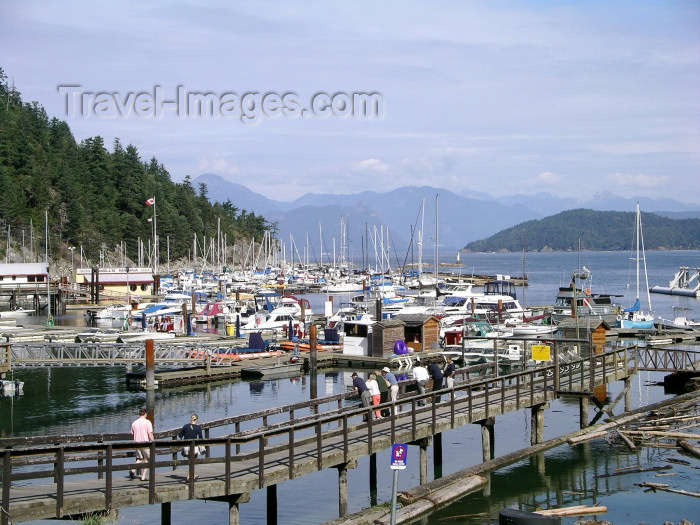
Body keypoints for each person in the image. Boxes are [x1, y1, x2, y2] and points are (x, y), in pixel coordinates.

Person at [130, 408, 154, 481]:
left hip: (137, 443)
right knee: (147, 459)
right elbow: (150, 434)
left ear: (139, 414)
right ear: (145, 414)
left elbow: (132, 434)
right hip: (145, 443)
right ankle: (143, 477)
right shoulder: (147, 422)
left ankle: (132, 470)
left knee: (140, 458)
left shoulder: (134, 423)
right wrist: (153, 442)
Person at [178, 414, 204, 481]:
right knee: (193, 461)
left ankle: (192, 475)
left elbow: (180, 435)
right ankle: (189, 476)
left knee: (190, 461)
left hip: (186, 447)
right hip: (194, 447)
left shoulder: (185, 426)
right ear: (196, 420)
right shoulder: (197, 427)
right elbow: (201, 437)